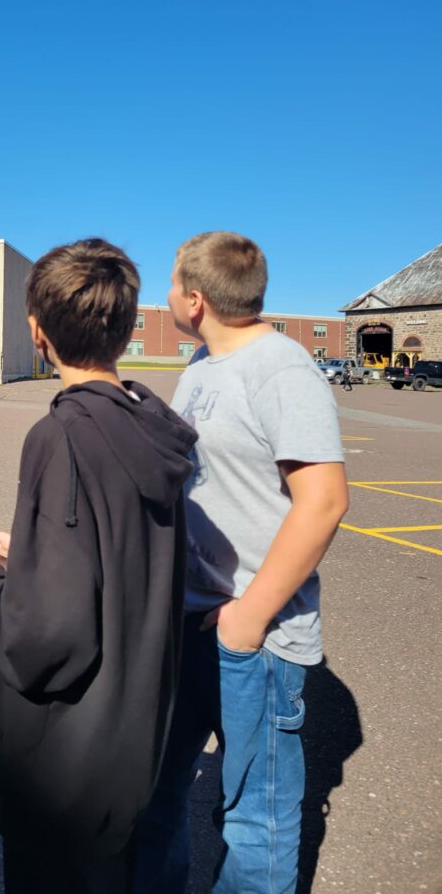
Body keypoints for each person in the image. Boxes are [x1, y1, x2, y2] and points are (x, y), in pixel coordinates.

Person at [0, 238, 197, 894]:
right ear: (128, 329)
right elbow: (126, 555)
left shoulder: (62, 436)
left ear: (36, 331)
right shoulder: (150, 430)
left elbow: (46, 639)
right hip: (128, 755)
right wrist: (38, 552)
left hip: (65, 773)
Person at [135, 231, 349, 894]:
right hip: (187, 621)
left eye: (170, 283)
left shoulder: (281, 368)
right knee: (153, 796)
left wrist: (248, 621)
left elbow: (324, 502)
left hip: (251, 640)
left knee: (257, 821)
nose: (164, 294)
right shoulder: (201, 366)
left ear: (194, 300)